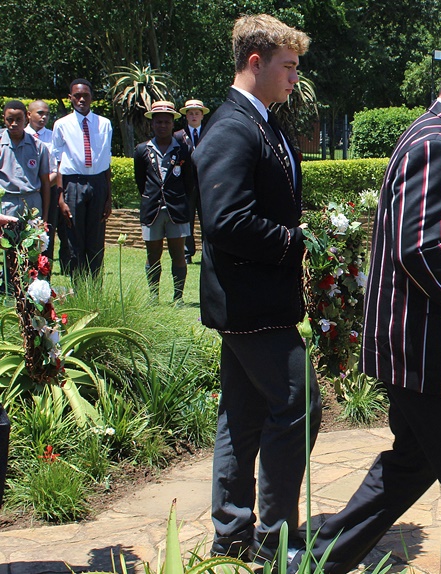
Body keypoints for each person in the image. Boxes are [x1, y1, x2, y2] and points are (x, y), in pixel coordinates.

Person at [290, 31, 441, 574]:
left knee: (403, 474)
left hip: (437, 361)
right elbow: (422, 251)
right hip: (440, 367)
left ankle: (308, 564)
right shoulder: (436, 143)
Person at [193, 14, 321, 562]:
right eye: (288, 66)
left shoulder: (264, 120)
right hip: (251, 304)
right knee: (301, 403)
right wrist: (296, 243)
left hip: (259, 300)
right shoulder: (232, 125)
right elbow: (225, 220)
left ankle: (232, 534)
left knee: (241, 417)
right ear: (255, 63)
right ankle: (273, 539)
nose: (295, 77)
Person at [51, 79, 114, 278]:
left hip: (97, 183)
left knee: (96, 239)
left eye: (85, 95)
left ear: (91, 98)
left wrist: (108, 197)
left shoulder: (104, 124)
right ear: (70, 98)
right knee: (74, 239)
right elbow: (59, 162)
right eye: (77, 96)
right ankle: (79, 290)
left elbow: (106, 160)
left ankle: (95, 288)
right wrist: (60, 198)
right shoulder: (62, 125)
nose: (81, 99)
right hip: (73, 184)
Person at [134, 101, 194, 303]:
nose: (162, 126)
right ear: (152, 124)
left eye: (166, 122)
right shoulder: (142, 150)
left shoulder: (184, 151)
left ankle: (178, 298)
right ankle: (154, 296)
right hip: (152, 210)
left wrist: (177, 199)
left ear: (172, 123)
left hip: (177, 210)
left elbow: (189, 182)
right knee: (153, 255)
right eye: (158, 122)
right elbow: (141, 181)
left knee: (178, 254)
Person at [1, 100, 51, 220]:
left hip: (32, 203)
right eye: (10, 119)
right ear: (4, 118)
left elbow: (45, 182)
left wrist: (45, 216)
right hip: (6, 203)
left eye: (19, 119)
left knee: (32, 237)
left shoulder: (38, 146)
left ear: (26, 118)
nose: (14, 124)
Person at [174, 99, 208, 264]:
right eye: (191, 113)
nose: (194, 116)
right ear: (186, 116)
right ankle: (187, 253)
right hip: (186, 186)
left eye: (197, 113)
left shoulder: (210, 133)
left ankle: (206, 252)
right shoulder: (178, 136)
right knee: (186, 220)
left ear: (202, 115)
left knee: (206, 220)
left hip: (206, 185)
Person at [25, 100, 59, 263]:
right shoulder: (19, 135)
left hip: (47, 192)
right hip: (23, 194)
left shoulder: (53, 137)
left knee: (45, 233)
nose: (44, 117)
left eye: (47, 114)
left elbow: (56, 168)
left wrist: (41, 187)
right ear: (28, 114)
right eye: (40, 113)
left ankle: (44, 273)